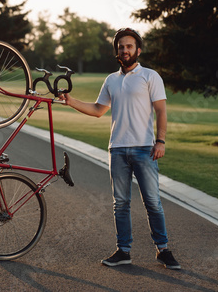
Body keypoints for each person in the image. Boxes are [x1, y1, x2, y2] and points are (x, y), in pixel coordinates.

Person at [59, 27, 181, 270]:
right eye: (121, 47)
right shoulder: (111, 80)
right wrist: (71, 102)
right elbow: (97, 110)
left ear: (138, 49)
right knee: (121, 203)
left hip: (145, 149)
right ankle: (123, 251)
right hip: (117, 150)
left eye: (129, 46)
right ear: (117, 51)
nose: (125, 50)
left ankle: (163, 249)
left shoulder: (150, 76)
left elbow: (161, 111)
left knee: (153, 202)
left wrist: (161, 141)